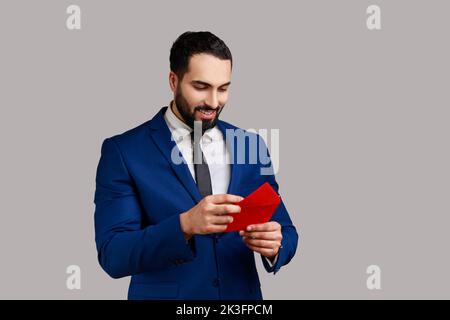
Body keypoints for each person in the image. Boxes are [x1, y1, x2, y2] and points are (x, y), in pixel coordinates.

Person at [94, 31, 298, 300]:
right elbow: (114, 254)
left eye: (223, 88)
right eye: (201, 87)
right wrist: (185, 225)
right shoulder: (124, 151)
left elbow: (286, 229)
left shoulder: (251, 145)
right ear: (173, 81)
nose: (213, 102)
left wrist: (275, 246)